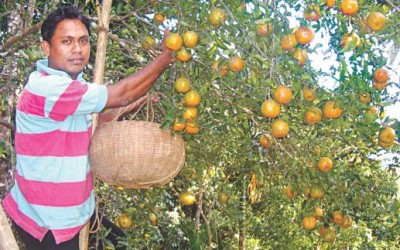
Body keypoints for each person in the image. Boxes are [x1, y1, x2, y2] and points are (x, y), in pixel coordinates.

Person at [1, 5, 173, 250]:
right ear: (47, 48)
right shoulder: (47, 88)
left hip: (78, 213)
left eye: (83, 40)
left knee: (119, 242)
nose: (78, 50)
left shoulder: (70, 85)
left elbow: (93, 122)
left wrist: (134, 105)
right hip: (47, 223)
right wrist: (164, 58)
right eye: (67, 41)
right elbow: (121, 93)